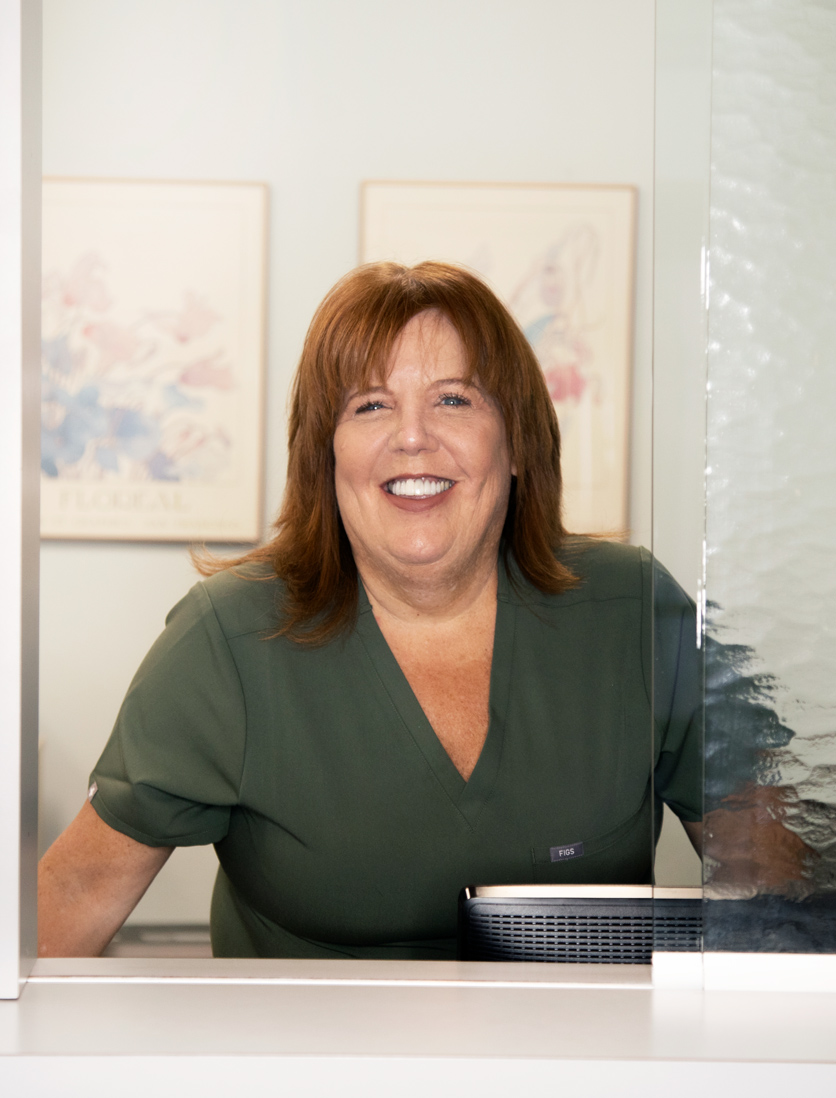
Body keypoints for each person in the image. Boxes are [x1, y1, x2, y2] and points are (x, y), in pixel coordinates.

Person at [38, 260, 703, 960]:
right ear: (325, 455)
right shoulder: (226, 641)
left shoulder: (634, 611)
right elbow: (67, 909)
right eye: (370, 405)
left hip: (582, 1064)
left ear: (515, 445)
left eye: (454, 400)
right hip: (307, 1065)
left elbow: (776, 879)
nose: (412, 436)